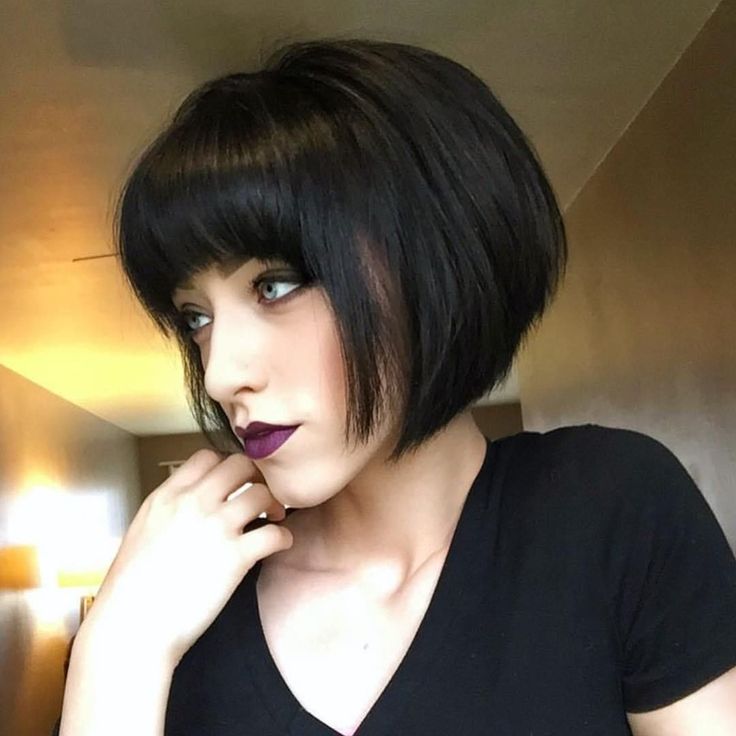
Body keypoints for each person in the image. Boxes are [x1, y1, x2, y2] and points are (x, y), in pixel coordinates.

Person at [53, 37, 736, 736]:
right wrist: (117, 650)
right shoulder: (182, 610)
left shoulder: (605, 511)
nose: (222, 374)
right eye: (195, 318)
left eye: (276, 285)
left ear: (431, 261)